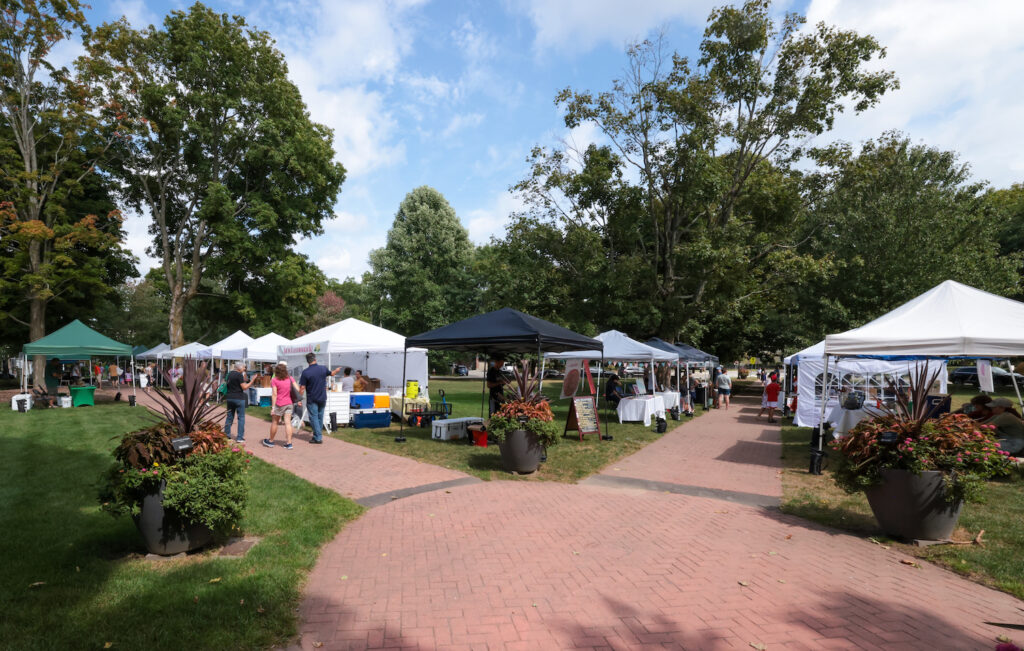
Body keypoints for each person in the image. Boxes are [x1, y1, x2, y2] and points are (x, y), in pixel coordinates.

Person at [298, 352, 342, 444]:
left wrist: (299, 399)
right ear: (315, 359)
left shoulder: (305, 372)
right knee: (319, 417)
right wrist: (337, 370)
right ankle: (316, 435)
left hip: (312, 398)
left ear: (307, 361)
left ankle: (318, 437)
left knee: (313, 418)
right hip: (322, 397)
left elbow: (302, 388)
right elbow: (332, 373)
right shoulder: (323, 369)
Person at [263, 363, 300, 450]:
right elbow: (298, 389)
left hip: (279, 403)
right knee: (288, 422)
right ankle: (289, 443)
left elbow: (274, 394)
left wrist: (272, 407)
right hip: (289, 403)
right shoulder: (290, 378)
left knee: (275, 422)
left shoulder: (274, 380)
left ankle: (271, 441)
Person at [224, 362, 258, 443]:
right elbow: (245, 387)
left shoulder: (230, 374)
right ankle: (239, 437)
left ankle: (226, 434)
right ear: (239, 368)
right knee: (241, 418)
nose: (244, 369)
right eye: (243, 367)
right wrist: (252, 380)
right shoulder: (239, 375)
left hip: (230, 397)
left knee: (229, 416)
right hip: (239, 398)